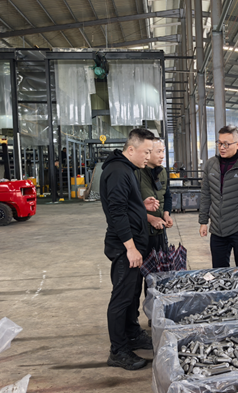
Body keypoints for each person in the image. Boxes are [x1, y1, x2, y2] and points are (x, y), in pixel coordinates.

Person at [99, 128, 160, 371]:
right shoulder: (117, 171)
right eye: (146, 151)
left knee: (132, 293)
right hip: (125, 246)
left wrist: (140, 205)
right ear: (131, 149)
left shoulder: (127, 169)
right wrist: (131, 248)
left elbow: (126, 205)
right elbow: (116, 213)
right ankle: (118, 351)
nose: (149, 156)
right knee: (122, 297)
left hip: (132, 244)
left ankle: (132, 333)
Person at [199, 125, 238, 268]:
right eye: (219, 143)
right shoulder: (211, 164)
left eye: (226, 144)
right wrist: (203, 221)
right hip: (217, 230)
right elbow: (206, 194)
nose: (222, 147)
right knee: (219, 271)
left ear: (237, 144)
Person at [135, 139, 173, 288]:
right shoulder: (136, 173)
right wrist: (150, 218)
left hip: (159, 232)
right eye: (159, 152)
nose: (162, 155)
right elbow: (129, 205)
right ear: (148, 152)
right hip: (141, 233)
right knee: (138, 278)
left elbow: (167, 196)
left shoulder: (162, 172)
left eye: (163, 151)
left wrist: (166, 214)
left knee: (158, 278)